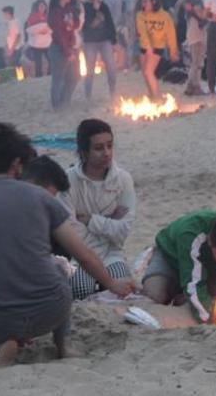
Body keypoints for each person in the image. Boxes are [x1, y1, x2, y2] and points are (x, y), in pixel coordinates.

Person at [0, 122, 135, 368]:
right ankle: (63, 344)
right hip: (53, 310)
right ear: (17, 163)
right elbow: (83, 255)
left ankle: (0, 347)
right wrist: (112, 283)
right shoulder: (40, 196)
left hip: (1, 317)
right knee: (57, 270)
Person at [60, 119, 136, 300]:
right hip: (77, 257)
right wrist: (108, 223)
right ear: (84, 152)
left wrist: (91, 221)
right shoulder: (67, 181)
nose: (107, 153)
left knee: (122, 288)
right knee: (80, 289)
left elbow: (123, 231)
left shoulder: (123, 180)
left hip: (112, 253)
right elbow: (70, 231)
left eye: (110, 146)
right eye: (99, 148)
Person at [141, 210, 216, 324]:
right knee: (156, 294)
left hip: (208, 266)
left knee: (214, 297)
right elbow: (194, 286)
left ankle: (182, 297)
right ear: (209, 241)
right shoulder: (190, 233)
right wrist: (214, 317)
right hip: (170, 257)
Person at [136, 0, 179, 99]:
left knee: (149, 72)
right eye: (142, 2)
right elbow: (142, 32)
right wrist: (147, 47)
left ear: (153, 2)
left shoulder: (164, 15)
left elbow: (171, 34)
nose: (143, 4)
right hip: (144, 47)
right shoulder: (140, 15)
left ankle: (157, 97)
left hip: (157, 47)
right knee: (145, 74)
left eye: (146, 1)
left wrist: (173, 51)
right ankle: (151, 95)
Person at [81, 0, 119, 100]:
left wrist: (114, 40)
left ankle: (112, 91)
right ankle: (88, 95)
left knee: (111, 67)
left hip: (104, 40)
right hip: (90, 41)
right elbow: (86, 25)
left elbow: (109, 23)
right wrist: (95, 10)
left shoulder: (103, 5)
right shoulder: (84, 6)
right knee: (90, 69)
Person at [47, 0, 79, 110]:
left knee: (74, 77)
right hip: (59, 48)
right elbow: (59, 34)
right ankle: (57, 105)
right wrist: (68, 52)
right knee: (58, 79)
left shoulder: (68, 9)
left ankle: (65, 101)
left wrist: (73, 23)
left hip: (70, 46)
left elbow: (76, 23)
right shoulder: (55, 12)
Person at [183, 0, 210, 96]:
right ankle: (194, 86)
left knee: (196, 60)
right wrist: (208, 14)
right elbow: (200, 15)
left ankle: (191, 86)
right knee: (197, 61)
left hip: (193, 31)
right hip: (197, 32)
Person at [25, 0, 51, 78]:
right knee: (38, 62)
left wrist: (47, 30)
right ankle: (39, 76)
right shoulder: (32, 17)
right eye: (40, 6)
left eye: (44, 6)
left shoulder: (48, 16)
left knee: (51, 59)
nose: (42, 8)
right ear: (37, 7)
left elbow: (53, 27)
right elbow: (29, 29)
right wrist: (40, 31)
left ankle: (50, 74)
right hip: (36, 44)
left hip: (47, 43)